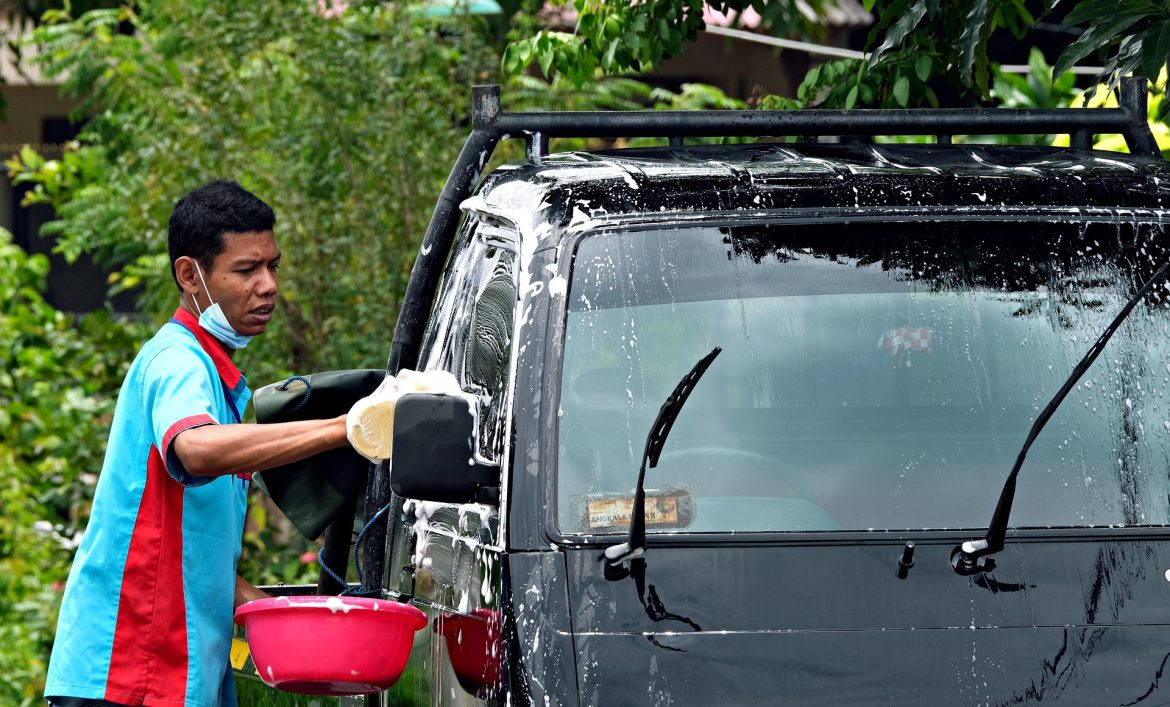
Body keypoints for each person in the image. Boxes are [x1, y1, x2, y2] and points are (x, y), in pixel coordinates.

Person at [44, 180, 350, 707]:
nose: (269, 285)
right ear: (191, 275)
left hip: (175, 674)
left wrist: (265, 612)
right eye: (246, 269)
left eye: (273, 266)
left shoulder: (216, 378)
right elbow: (197, 450)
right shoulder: (177, 361)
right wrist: (345, 429)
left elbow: (190, 551)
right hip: (129, 673)